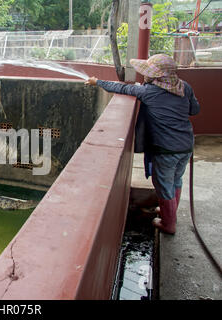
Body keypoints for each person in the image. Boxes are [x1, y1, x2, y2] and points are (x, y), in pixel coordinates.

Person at [85, 54, 200, 235]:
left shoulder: (149, 92)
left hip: (166, 149)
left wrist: (97, 82)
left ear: (157, 76)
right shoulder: (184, 87)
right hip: (186, 145)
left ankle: (168, 223)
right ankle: (169, 212)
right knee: (176, 180)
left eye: (148, 73)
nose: (145, 75)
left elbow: (121, 88)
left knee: (162, 184)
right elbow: (195, 109)